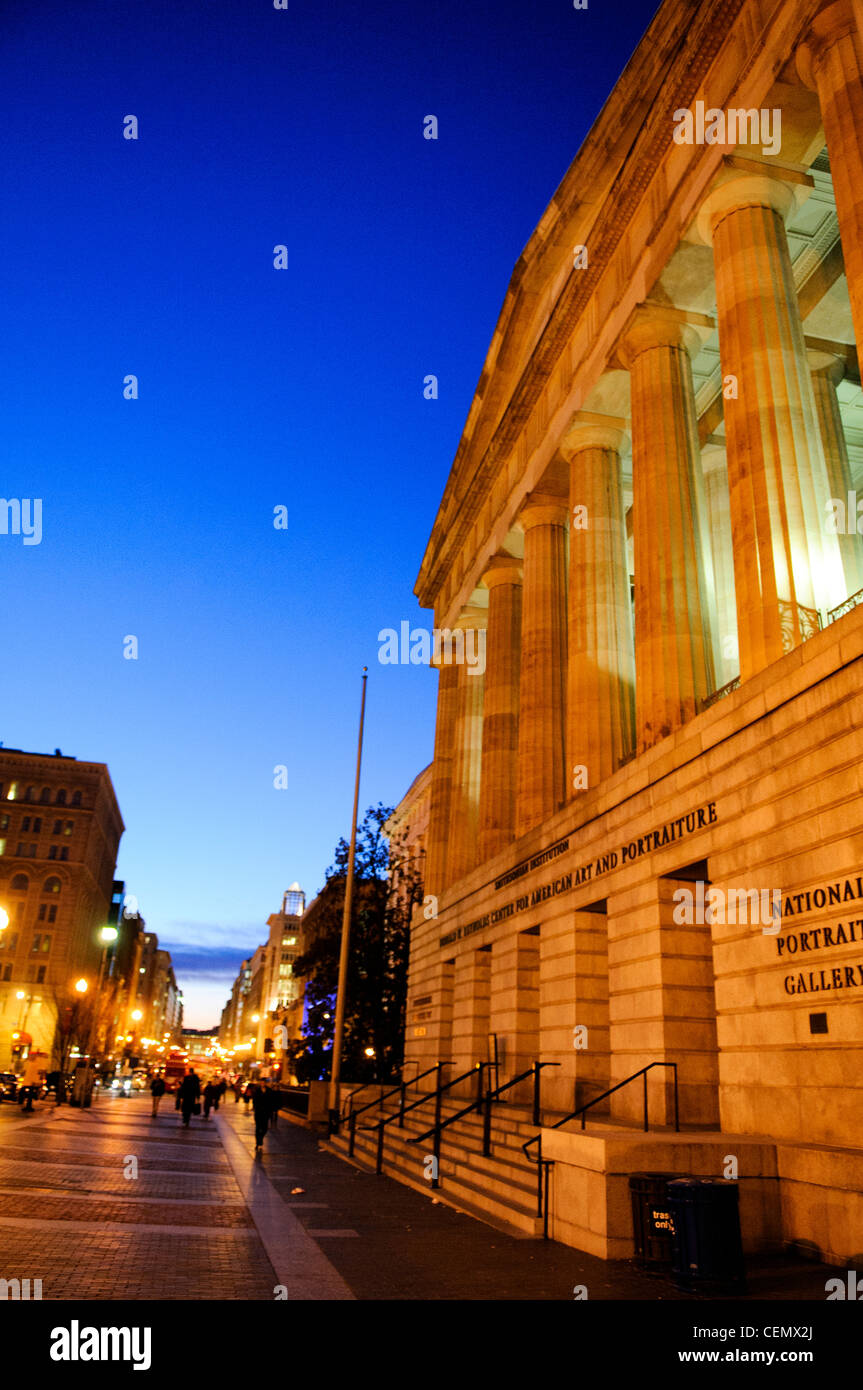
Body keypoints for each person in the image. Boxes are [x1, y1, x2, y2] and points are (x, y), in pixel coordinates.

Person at [251, 1081, 270, 1151]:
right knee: (258, 1128)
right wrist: (255, 1108)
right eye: (261, 1082)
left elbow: (271, 1100)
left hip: (266, 1112)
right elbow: (254, 1100)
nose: (263, 1084)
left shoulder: (269, 1091)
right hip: (258, 1112)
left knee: (265, 1128)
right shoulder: (257, 1091)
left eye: (264, 1082)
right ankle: (258, 1143)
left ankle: (260, 1139)